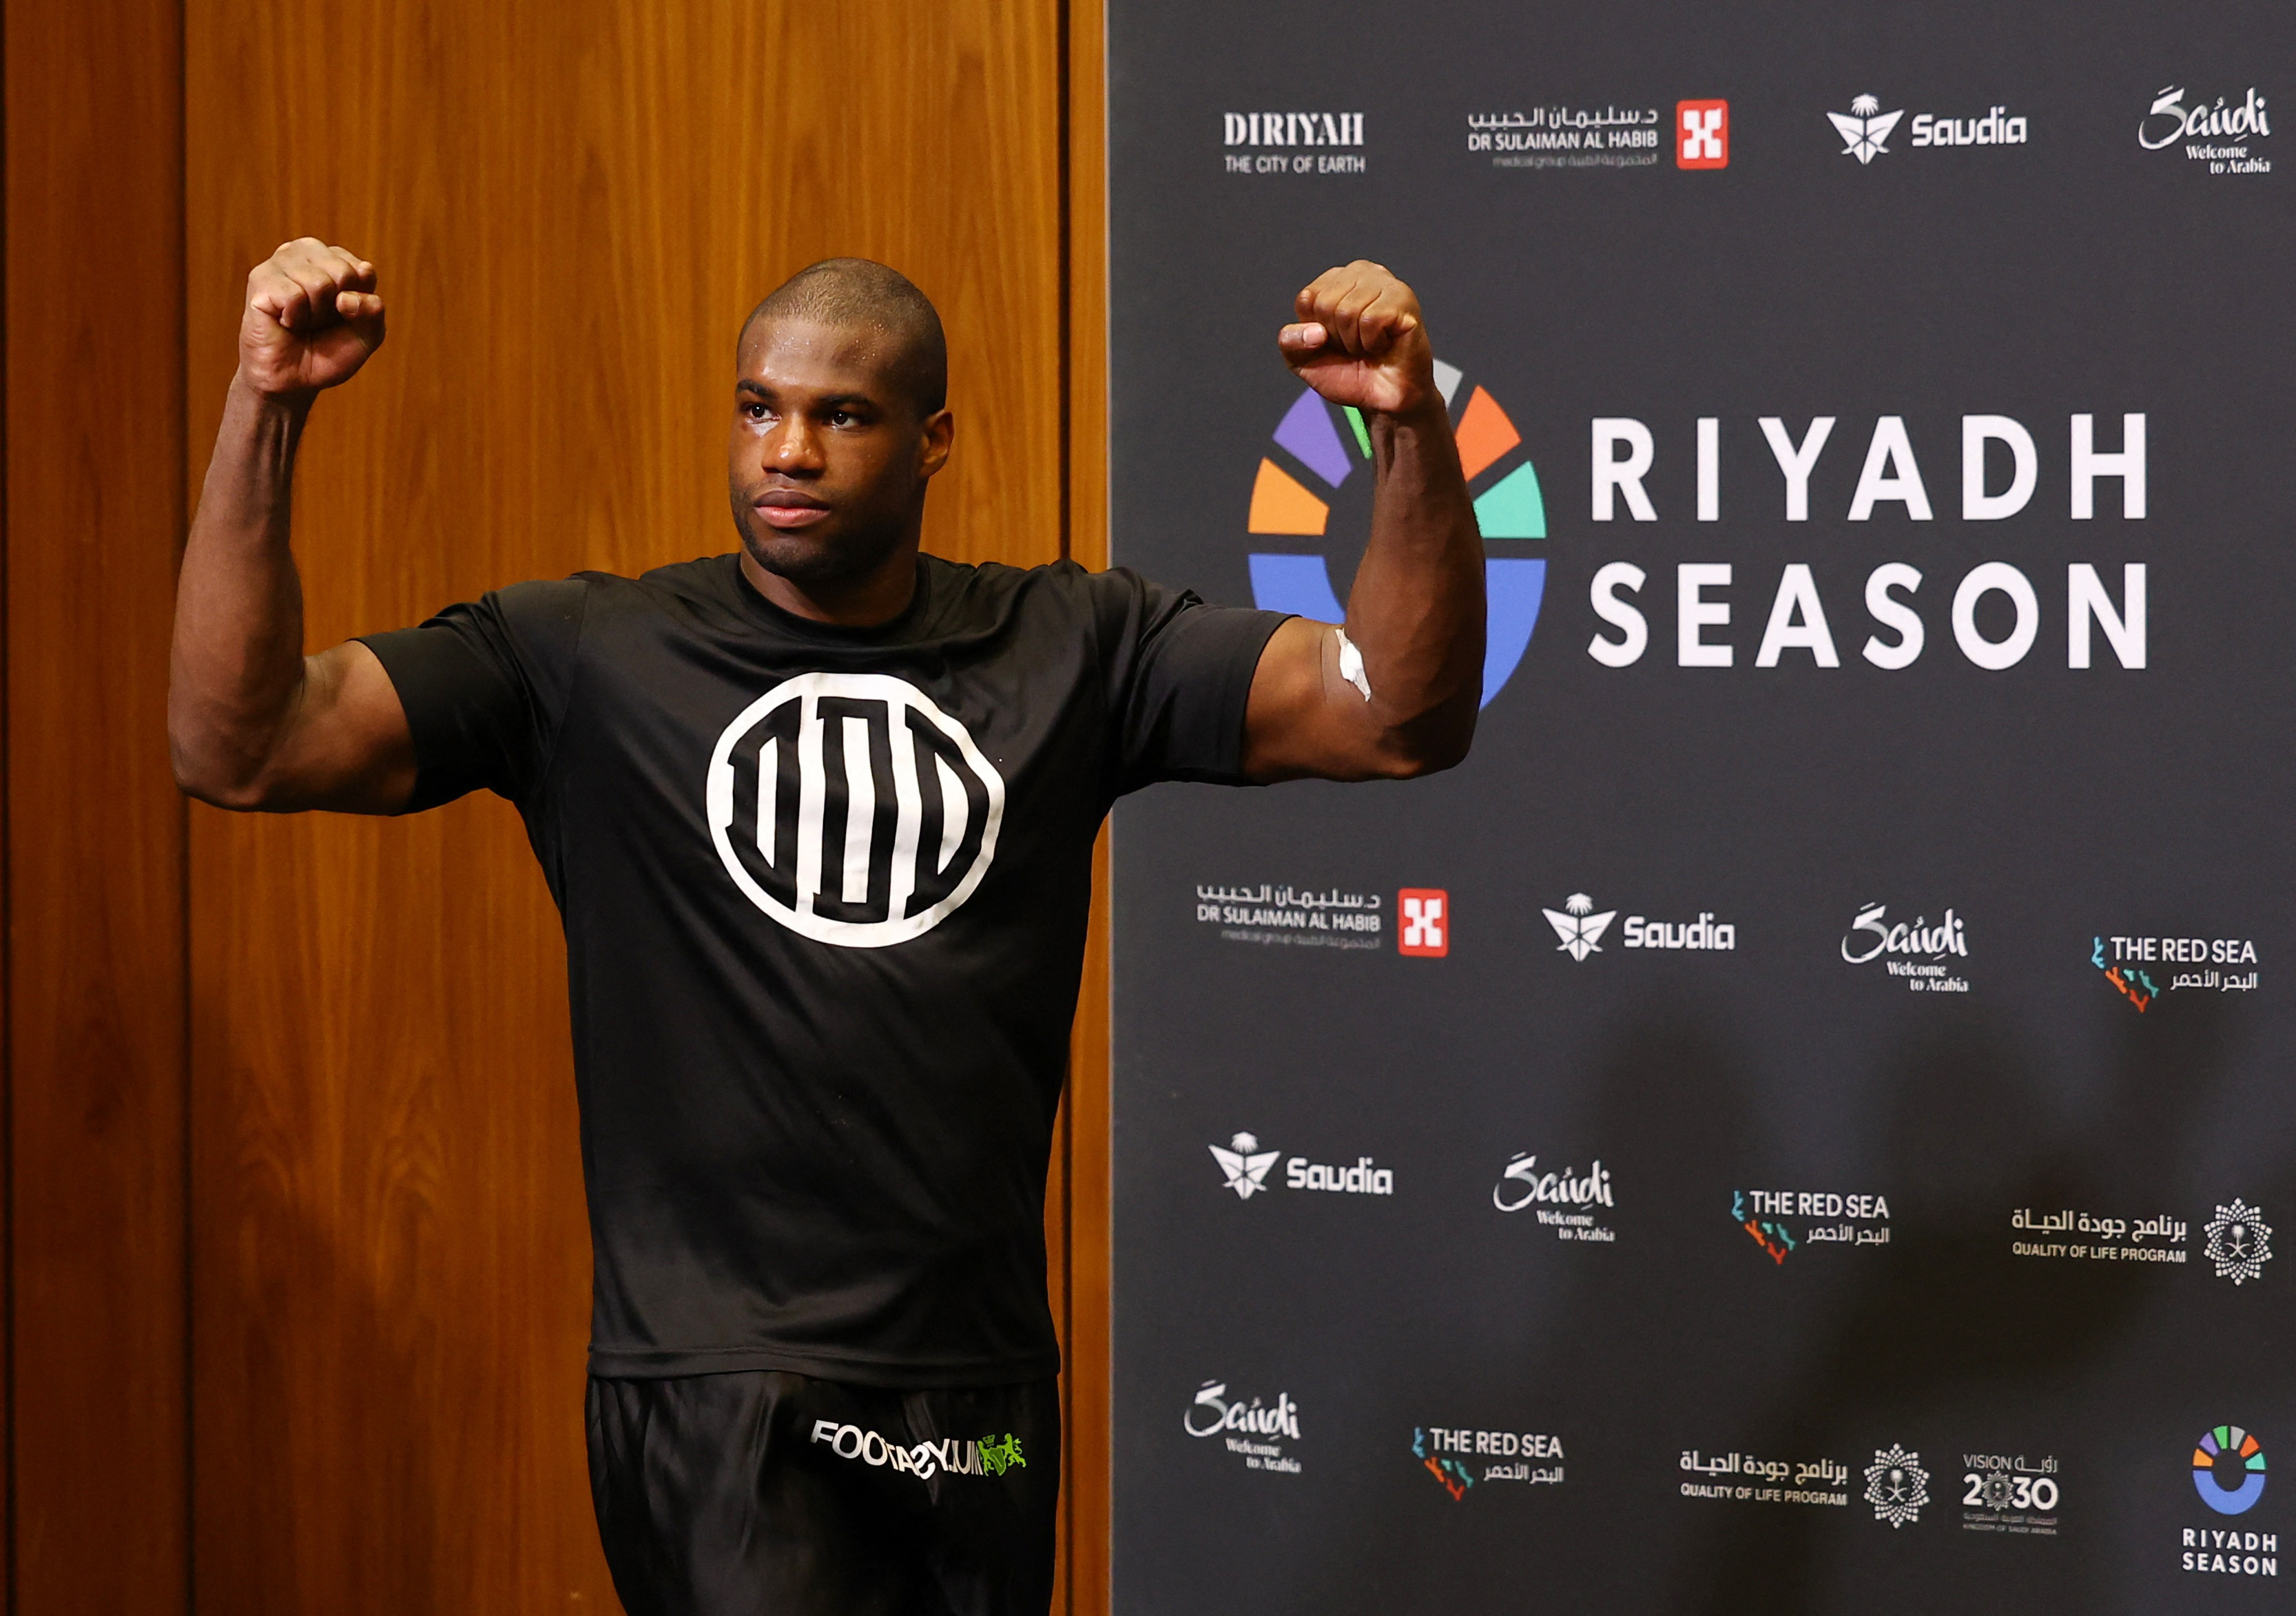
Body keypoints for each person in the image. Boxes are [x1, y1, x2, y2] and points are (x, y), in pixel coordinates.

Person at [169, 238, 1486, 1615]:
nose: (785, 451)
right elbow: (240, 746)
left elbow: (1395, 712)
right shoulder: (586, 659)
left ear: (932, 442)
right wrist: (268, 407)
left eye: (838, 416)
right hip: (722, 1387)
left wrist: (1402, 430)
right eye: (757, 409)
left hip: (977, 1383)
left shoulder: (1073, 645)